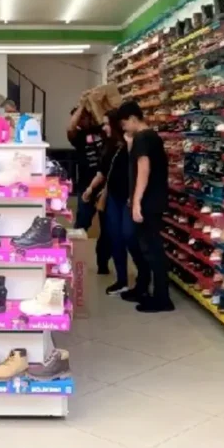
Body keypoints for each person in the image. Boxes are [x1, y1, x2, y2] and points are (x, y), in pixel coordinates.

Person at [81, 108, 149, 295]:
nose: (104, 128)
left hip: (129, 198)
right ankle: (122, 280)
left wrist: (135, 198)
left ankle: (144, 275)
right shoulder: (109, 145)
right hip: (113, 197)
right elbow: (103, 171)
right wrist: (90, 189)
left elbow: (140, 170)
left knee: (129, 236)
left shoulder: (132, 143)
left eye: (106, 124)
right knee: (115, 237)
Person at [118, 100, 174, 313]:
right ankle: (151, 291)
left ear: (133, 118)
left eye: (124, 123)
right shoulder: (150, 137)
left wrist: (137, 201)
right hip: (153, 200)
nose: (124, 128)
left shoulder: (143, 137)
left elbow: (143, 169)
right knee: (149, 247)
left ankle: (162, 299)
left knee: (152, 249)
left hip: (148, 202)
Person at [67, 97, 110, 274]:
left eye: (84, 117)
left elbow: (102, 120)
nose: (81, 121)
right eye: (79, 119)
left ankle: (103, 264)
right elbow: (71, 127)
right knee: (81, 224)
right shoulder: (78, 137)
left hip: (106, 187)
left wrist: (90, 105)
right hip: (86, 187)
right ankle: (73, 260)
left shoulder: (102, 130)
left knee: (107, 229)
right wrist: (82, 106)